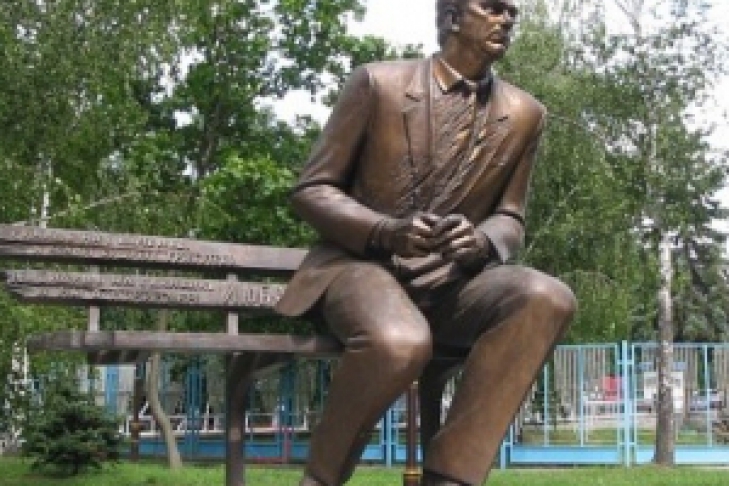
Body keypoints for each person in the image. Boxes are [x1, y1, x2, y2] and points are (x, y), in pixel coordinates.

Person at [275, 1, 576, 484]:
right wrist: (384, 230)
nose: (506, 18)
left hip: (451, 287)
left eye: (511, 12)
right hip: (359, 268)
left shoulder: (525, 114)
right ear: (452, 17)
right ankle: (321, 479)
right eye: (491, 7)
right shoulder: (377, 84)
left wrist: (482, 241)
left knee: (546, 297)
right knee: (401, 341)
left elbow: (510, 217)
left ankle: (450, 476)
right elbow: (312, 190)